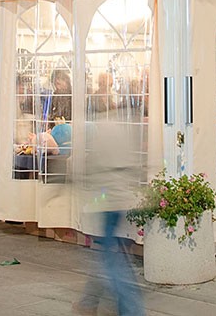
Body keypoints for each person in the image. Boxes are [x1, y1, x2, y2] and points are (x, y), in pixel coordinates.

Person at [73, 112, 145, 315]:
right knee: (111, 255)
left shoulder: (99, 133)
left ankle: (132, 310)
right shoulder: (121, 130)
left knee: (110, 260)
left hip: (108, 203)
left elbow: (91, 167)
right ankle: (88, 302)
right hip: (120, 200)